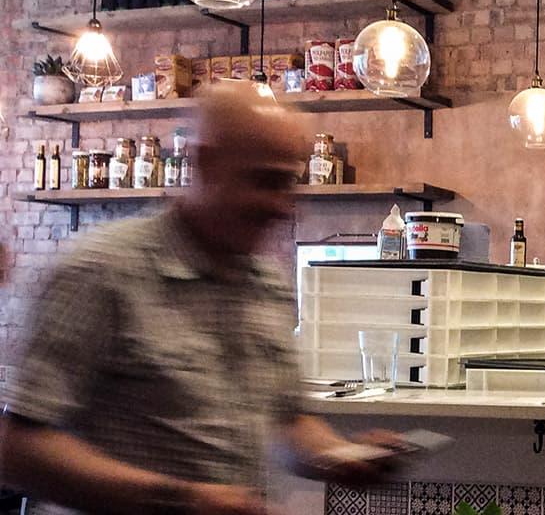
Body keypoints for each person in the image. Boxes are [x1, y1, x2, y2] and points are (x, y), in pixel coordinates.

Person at [0, 82, 402, 514]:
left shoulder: (268, 285)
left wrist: (342, 457)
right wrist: (182, 500)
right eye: (264, 180)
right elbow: (18, 450)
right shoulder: (100, 271)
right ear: (205, 164)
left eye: (289, 182)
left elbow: (287, 422)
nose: (283, 206)